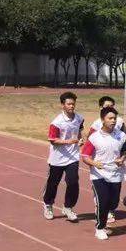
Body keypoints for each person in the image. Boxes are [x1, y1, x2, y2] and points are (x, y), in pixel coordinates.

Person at [80, 106, 126, 240]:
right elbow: (85, 156)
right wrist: (95, 163)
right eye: (110, 118)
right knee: (103, 200)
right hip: (99, 174)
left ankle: (106, 215)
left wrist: (122, 158)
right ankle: (100, 227)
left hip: (115, 173)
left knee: (113, 203)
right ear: (102, 120)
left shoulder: (121, 135)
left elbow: (125, 151)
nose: (113, 121)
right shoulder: (94, 138)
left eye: (114, 118)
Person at [42, 92, 84, 221]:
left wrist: (80, 140)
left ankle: (68, 207)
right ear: (63, 105)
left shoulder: (79, 118)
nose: (71, 106)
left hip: (72, 156)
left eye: (73, 103)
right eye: (69, 104)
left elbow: (79, 132)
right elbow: (52, 140)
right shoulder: (56, 122)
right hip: (57, 158)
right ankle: (48, 204)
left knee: (73, 182)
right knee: (53, 183)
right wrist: (69, 142)